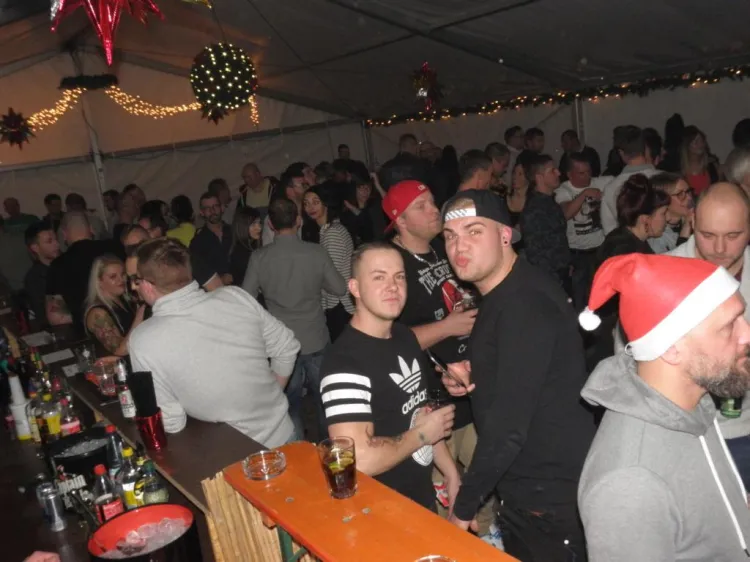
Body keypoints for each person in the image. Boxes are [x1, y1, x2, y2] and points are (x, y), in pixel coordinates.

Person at [440, 189, 594, 561]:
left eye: (474, 231)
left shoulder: (523, 305)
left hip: (546, 498)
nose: (460, 246)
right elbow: (530, 368)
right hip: (537, 487)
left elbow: (507, 429)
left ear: (505, 235)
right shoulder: (511, 287)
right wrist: (478, 375)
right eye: (450, 236)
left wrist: (464, 507)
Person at [577, 253, 750, 561]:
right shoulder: (630, 484)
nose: (746, 334)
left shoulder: (693, 399)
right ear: (670, 348)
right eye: (729, 326)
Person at [383, 180, 492, 536]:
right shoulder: (394, 266)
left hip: (469, 388)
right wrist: (448, 326)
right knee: (443, 499)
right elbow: (387, 340)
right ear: (400, 221)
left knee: (485, 485)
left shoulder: (442, 250)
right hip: (429, 402)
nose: (434, 210)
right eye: (422, 206)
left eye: (433, 202)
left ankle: (488, 544)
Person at [320, 242, 459, 510]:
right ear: (355, 288)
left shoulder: (404, 336)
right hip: (379, 512)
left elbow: (422, 414)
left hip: (420, 498)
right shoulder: (344, 362)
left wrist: (451, 473)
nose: (393, 286)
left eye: (399, 277)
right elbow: (359, 458)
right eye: (379, 277)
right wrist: (422, 435)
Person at [129, 238, 300, 448]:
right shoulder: (235, 296)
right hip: (284, 434)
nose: (134, 286)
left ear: (147, 286)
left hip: (232, 455)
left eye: (136, 280)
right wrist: (271, 393)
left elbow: (172, 421)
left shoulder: (143, 340)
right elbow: (287, 347)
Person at [243, 198, 347, 438]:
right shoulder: (315, 252)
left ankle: (299, 453)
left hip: (280, 345)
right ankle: (329, 450)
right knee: (326, 402)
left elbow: (246, 299)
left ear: (270, 224)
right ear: (298, 220)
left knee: (290, 408)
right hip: (316, 339)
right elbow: (340, 288)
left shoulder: (259, 257)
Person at [669, 182, 750, 486]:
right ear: (692, 222)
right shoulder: (664, 274)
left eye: (733, 235)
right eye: (708, 235)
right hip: (683, 436)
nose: (719, 249)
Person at [591, 174, 670, 365]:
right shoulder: (626, 251)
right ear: (645, 219)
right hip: (613, 342)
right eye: (663, 213)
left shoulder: (627, 240)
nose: (666, 219)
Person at [46, 211, 122, 329]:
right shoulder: (115, 248)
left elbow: (56, 317)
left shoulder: (57, 265)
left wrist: (82, 318)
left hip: (86, 331)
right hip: (124, 321)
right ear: (91, 229)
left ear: (64, 234)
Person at [302, 187, 355, 341]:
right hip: (336, 302)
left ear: (326, 203)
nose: (310, 207)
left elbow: (332, 277)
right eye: (306, 203)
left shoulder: (333, 233)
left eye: (315, 202)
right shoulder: (326, 231)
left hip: (339, 304)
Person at [554, 153, 606, 310]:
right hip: (578, 254)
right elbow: (566, 214)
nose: (587, 176)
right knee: (580, 301)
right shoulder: (563, 190)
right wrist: (584, 194)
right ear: (570, 174)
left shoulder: (601, 182)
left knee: (601, 298)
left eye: (589, 171)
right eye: (582, 173)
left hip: (600, 250)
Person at [520, 154, 571, 293]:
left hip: (559, 273)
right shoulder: (535, 209)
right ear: (539, 177)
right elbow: (535, 252)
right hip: (550, 279)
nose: (558, 173)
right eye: (552, 170)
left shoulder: (549, 202)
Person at [601, 125, 661, 234]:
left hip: (628, 243)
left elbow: (610, 232)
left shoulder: (611, 188)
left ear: (621, 153)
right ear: (644, 148)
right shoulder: (665, 179)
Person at [84, 254, 143, 356]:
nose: (121, 280)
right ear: (99, 282)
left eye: (123, 274)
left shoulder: (127, 300)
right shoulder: (97, 313)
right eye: (113, 277)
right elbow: (118, 350)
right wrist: (140, 315)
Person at [261, 163, 312, 246]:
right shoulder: (276, 217)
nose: (308, 187)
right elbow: (269, 248)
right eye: (303, 185)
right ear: (289, 190)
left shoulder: (311, 211)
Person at [190, 192, 233, 286]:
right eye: (207, 208)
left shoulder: (234, 232)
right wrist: (220, 279)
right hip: (215, 291)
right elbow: (197, 273)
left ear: (222, 208)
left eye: (215, 206)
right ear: (202, 212)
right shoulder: (198, 242)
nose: (212, 211)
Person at [23, 221, 60, 323]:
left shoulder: (66, 264)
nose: (57, 244)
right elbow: (44, 315)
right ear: (35, 248)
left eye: (56, 239)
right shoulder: (34, 278)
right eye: (49, 241)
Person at [647, 172, 693, 254]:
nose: (689, 198)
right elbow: (677, 261)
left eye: (688, 191)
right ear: (663, 200)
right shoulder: (656, 235)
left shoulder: (692, 219)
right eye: (680, 194)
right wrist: (685, 230)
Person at [679, 126, 720, 196]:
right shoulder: (679, 170)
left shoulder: (711, 165)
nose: (700, 144)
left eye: (701, 141)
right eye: (695, 141)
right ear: (687, 145)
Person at [229, 206, 262, 287]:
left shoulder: (253, 245)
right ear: (243, 226)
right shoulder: (240, 253)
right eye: (253, 224)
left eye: (259, 223)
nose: (259, 228)